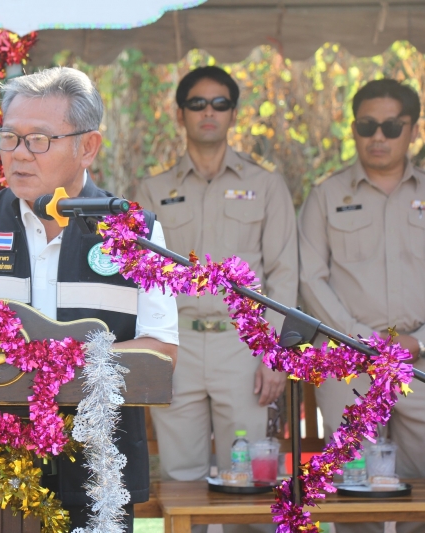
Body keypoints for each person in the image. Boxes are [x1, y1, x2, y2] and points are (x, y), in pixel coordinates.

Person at [0, 66, 179, 532]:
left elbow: (161, 350)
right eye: (9, 138)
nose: (18, 154)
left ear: (87, 147)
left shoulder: (133, 233)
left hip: (97, 468)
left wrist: (51, 370)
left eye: (38, 140)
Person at [135, 66, 297, 533]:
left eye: (220, 103)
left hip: (243, 346)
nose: (209, 112)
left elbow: (284, 272)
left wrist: (275, 353)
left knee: (251, 482)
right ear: (180, 114)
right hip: (177, 345)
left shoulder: (266, 185)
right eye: (198, 103)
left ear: (233, 113)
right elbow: (141, 276)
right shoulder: (152, 189)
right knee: (181, 482)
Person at [299, 79, 425, 533]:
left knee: (423, 495)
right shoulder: (326, 195)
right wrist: (358, 339)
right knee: (351, 494)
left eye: (392, 126)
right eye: (368, 125)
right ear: (353, 128)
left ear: (413, 129)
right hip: (349, 362)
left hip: (419, 362)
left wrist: (417, 341)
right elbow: (310, 277)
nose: (379, 136)